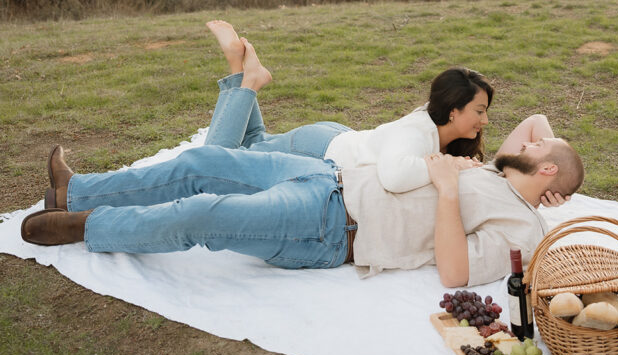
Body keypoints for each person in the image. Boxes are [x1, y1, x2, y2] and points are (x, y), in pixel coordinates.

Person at [22, 43, 585, 287]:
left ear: (546, 173)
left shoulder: (523, 227)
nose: (531, 139)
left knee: (205, 212)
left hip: (333, 228)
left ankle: (85, 226)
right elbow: (536, 129)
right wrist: (548, 164)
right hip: (328, 176)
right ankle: (79, 189)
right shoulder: (495, 171)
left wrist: (443, 189)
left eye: (540, 151)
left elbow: (455, 274)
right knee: (203, 160)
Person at [202, 21, 569, 207]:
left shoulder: (445, 139)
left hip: (338, 141)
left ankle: (240, 67)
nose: (485, 121)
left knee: (252, 144)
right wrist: (450, 166)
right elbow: (394, 177)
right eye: (479, 111)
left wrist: (556, 179)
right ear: (453, 111)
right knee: (214, 167)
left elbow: (537, 122)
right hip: (322, 151)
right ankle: (248, 82)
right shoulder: (418, 133)